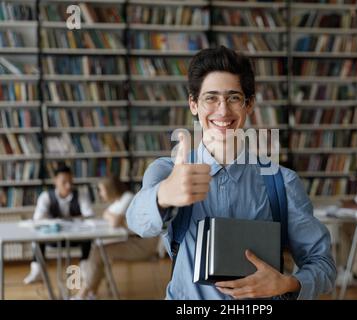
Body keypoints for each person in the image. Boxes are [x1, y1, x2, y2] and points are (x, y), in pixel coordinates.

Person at [126, 46, 336, 300]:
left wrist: (287, 284)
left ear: (249, 104)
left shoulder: (282, 182)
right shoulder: (167, 171)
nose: (223, 110)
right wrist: (163, 195)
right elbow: (138, 223)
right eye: (211, 98)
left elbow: (323, 264)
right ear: (193, 104)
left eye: (234, 98)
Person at [76, 176, 159, 299]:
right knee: (98, 252)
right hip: (131, 241)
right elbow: (112, 219)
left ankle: (82, 295)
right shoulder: (116, 202)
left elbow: (114, 221)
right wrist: (110, 215)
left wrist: (108, 215)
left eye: (101, 190)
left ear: (110, 189)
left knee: (99, 252)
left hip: (141, 244)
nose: (99, 194)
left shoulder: (128, 197)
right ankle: (90, 293)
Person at [24, 164, 94, 284]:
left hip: (75, 237)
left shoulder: (81, 195)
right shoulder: (46, 197)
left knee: (88, 238)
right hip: (53, 237)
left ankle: (84, 268)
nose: (68, 185)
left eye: (70, 181)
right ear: (55, 181)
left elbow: (90, 216)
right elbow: (38, 219)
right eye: (64, 182)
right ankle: (37, 270)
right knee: (37, 238)